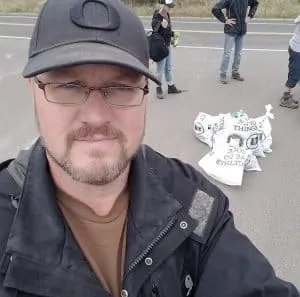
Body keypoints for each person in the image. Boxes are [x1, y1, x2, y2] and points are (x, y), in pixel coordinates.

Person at [0, 0, 299, 296]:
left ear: (144, 92)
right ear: (32, 88)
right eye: (68, 86)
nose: (96, 116)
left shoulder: (193, 197)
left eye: (121, 87)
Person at [212, 0, 259, 84]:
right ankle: (223, 74)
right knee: (227, 53)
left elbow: (255, 3)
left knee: (238, 53)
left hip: (242, 30)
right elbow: (215, 9)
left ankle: (235, 72)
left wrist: (250, 16)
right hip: (231, 30)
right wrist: (225, 20)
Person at [151, 0, 182, 99]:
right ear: (162, 5)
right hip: (160, 47)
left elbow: (167, 29)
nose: (170, 8)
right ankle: (158, 87)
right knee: (160, 69)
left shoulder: (167, 14)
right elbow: (154, 29)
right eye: (168, 6)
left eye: (171, 6)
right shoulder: (157, 15)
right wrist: (160, 23)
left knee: (168, 67)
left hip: (167, 45)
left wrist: (172, 34)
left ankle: (171, 86)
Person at [279, 15, 300, 109]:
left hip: (294, 47)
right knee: (295, 74)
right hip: (297, 50)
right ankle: (285, 99)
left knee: (294, 72)